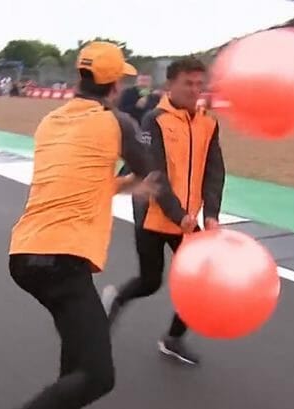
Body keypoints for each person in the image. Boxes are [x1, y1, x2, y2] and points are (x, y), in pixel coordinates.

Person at [8, 41, 174, 409]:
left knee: (77, 363)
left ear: (79, 77)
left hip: (24, 254)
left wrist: (126, 184)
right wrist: (179, 215)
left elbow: (72, 180)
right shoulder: (116, 122)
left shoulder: (50, 122)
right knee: (98, 377)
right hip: (62, 261)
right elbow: (153, 175)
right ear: (115, 86)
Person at [102, 56, 226, 366]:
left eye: (200, 84)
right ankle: (116, 297)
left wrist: (210, 213)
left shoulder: (209, 122)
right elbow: (152, 172)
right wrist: (178, 214)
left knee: (200, 284)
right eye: (188, 83)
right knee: (150, 281)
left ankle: (172, 339)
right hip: (154, 214)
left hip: (187, 220)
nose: (195, 90)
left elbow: (215, 171)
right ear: (171, 84)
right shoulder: (154, 120)